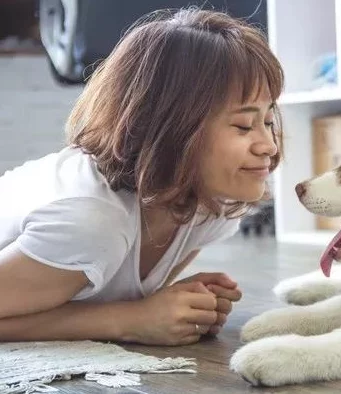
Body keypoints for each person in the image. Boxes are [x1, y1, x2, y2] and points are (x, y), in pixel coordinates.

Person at [0, 7, 284, 346]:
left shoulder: (210, 205)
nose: (268, 145)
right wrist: (129, 320)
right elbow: (124, 312)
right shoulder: (90, 221)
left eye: (268, 121)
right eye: (242, 125)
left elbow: (108, 295)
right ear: (170, 129)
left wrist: (176, 306)